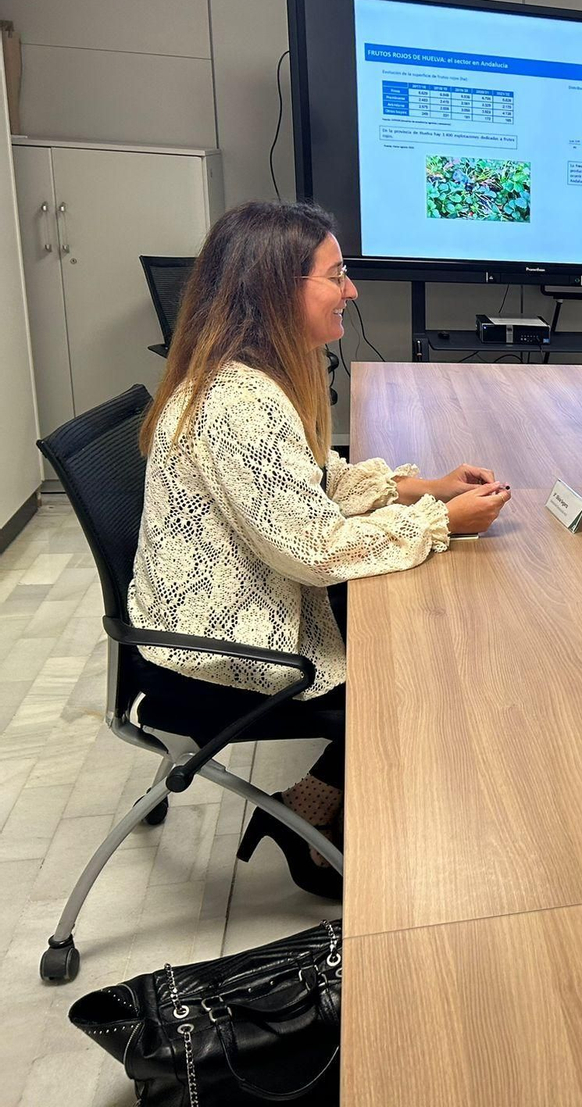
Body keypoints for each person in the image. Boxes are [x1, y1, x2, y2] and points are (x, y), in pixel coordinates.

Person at [128, 200, 512, 897]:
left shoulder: (253, 376)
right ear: (277, 288)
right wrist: (438, 521)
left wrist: (419, 486)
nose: (352, 290)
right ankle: (356, 841)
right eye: (337, 275)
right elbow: (313, 548)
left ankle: (309, 809)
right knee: (419, 680)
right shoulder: (237, 402)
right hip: (215, 651)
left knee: (412, 631)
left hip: (215, 613)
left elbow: (307, 481)